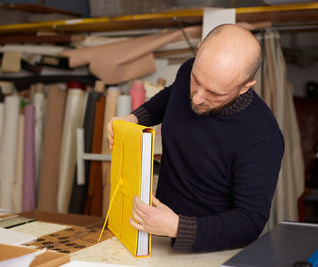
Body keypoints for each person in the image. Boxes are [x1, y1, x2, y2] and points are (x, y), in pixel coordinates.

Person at [107, 24, 284, 252]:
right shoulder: (188, 71)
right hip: (155, 237)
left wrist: (177, 227)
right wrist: (133, 118)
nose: (198, 97)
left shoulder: (262, 137)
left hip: (210, 252)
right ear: (199, 50)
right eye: (196, 81)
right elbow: (171, 95)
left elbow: (249, 222)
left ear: (244, 87)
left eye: (214, 93)